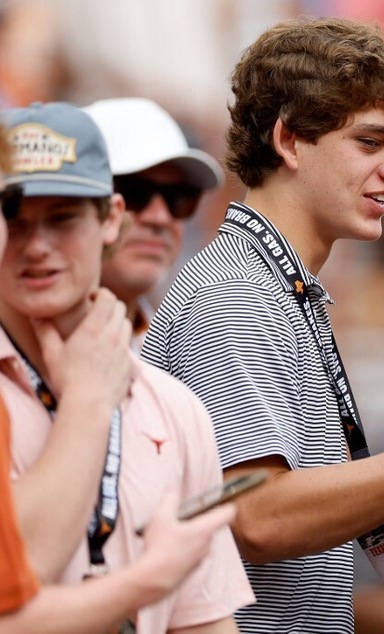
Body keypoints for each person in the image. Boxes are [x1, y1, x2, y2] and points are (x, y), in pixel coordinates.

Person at [140, 17, 384, 633]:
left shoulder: (278, 285)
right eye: (371, 142)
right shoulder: (233, 295)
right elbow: (259, 515)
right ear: (289, 140)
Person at [1, 101, 253, 633]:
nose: (37, 246)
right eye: (14, 221)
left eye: (62, 218)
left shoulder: (174, 405)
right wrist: (90, 399)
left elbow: (206, 621)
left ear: (108, 219)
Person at [82, 97, 224, 352]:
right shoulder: (18, 353)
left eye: (178, 198)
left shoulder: (184, 352)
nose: (160, 218)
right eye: (133, 194)